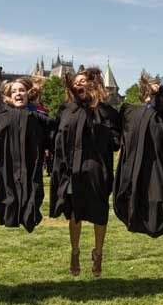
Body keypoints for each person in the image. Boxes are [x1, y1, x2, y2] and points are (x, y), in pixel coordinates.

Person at [50, 67, 121, 277]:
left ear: (93, 84)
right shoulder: (66, 109)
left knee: (99, 213)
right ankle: (75, 251)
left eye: (84, 80)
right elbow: (56, 135)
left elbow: (117, 141)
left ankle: (98, 253)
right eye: (76, 81)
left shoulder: (107, 111)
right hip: (72, 169)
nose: (79, 83)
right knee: (75, 213)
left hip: (96, 169)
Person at [114, 73, 163, 243]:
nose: (154, 91)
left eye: (157, 89)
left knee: (155, 212)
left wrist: (160, 94)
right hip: (133, 170)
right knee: (128, 210)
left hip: (156, 169)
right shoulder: (130, 112)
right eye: (151, 88)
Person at [0, 76, 52, 233]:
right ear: (9, 96)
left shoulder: (39, 116)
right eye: (14, 91)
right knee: (8, 190)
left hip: (30, 163)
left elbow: (52, 138)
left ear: (29, 93)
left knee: (32, 190)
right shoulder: (0, 113)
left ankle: (29, 216)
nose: (18, 93)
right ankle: (9, 215)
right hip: (7, 163)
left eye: (22, 90)